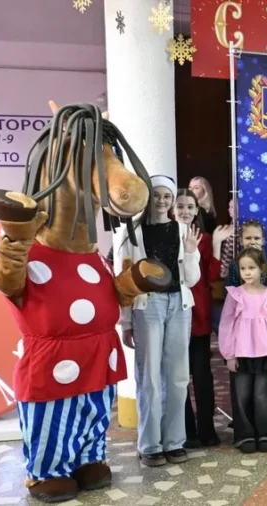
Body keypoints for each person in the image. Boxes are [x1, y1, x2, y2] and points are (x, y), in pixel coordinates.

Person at [115, 175, 202, 467]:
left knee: (178, 377)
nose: (162, 201)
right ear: (148, 198)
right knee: (149, 378)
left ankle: (174, 441)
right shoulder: (131, 232)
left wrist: (190, 253)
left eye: (167, 196)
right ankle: (150, 445)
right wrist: (126, 322)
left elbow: (192, 279)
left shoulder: (183, 230)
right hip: (147, 305)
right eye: (156, 195)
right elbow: (124, 281)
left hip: (179, 304)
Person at [172, 189, 232, 448]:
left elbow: (212, 274)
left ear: (197, 210)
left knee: (201, 373)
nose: (185, 211)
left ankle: (207, 428)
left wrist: (216, 244)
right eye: (180, 206)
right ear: (173, 210)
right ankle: (186, 430)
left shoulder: (204, 239)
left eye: (189, 206)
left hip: (199, 315)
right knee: (179, 375)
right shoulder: (167, 237)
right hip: (174, 313)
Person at [218, 247, 267, 453]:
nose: (247, 272)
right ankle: (244, 434)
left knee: (263, 396)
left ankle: (266, 432)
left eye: (251, 268)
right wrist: (229, 354)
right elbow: (226, 325)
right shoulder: (235, 295)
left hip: (265, 353)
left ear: (262, 268)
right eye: (243, 268)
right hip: (240, 354)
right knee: (242, 395)